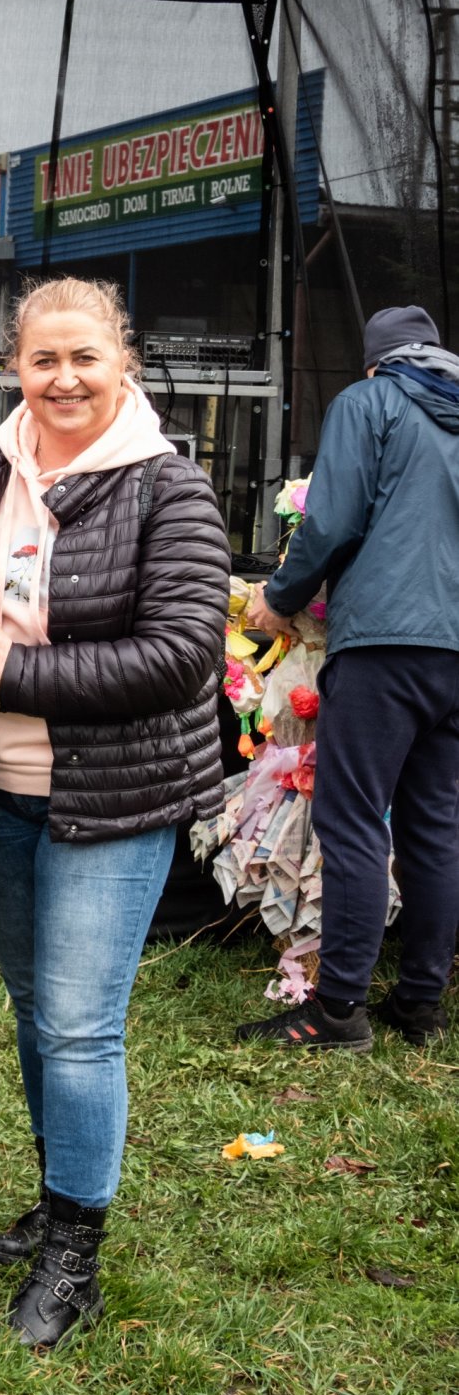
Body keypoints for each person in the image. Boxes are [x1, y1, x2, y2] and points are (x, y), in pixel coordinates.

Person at [0, 276, 231, 1350]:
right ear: (14, 365)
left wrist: (17, 670)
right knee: (33, 1009)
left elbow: (180, 654)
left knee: (77, 1023)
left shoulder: (169, 489)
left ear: (124, 363)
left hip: (115, 797)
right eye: (41, 359)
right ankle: (55, 1190)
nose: (62, 379)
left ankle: (75, 1256)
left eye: (84, 358)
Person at [237, 305, 459, 1051]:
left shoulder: (370, 401)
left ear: (375, 362)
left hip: (384, 642)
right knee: (435, 823)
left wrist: (278, 598)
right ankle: (420, 1002)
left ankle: (337, 1012)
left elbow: (330, 521)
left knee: (354, 817)